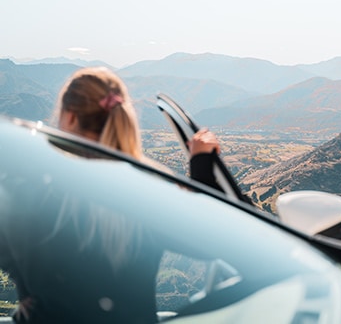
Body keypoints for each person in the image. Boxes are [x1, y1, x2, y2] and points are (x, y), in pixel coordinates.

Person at [0, 67, 222, 323]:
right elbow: (216, 241)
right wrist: (201, 166)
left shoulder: (32, 191)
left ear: (70, 118)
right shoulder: (148, 193)